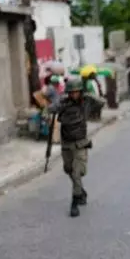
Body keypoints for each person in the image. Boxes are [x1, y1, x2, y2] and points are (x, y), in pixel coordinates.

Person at [48, 79, 106, 217]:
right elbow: (50, 109)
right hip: (66, 144)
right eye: (71, 92)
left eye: (77, 92)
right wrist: (58, 102)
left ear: (80, 92)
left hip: (80, 144)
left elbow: (101, 103)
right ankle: (81, 191)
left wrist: (90, 95)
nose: (74, 95)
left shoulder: (85, 103)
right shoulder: (64, 103)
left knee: (77, 172)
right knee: (68, 170)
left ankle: (74, 203)